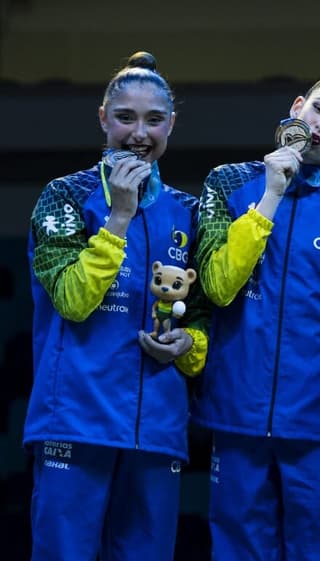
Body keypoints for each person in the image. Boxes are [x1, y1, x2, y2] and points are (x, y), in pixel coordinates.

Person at [192, 67, 320, 560]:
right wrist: (271, 193)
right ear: (298, 108)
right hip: (238, 409)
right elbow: (216, 287)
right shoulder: (228, 184)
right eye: (319, 109)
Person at [25, 51, 208, 561]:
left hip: (157, 428)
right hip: (75, 420)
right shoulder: (64, 196)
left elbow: (202, 312)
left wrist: (188, 341)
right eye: (125, 118)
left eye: (154, 120)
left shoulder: (190, 213)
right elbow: (73, 300)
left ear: (172, 123)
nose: (139, 134)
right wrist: (120, 218)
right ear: (103, 118)